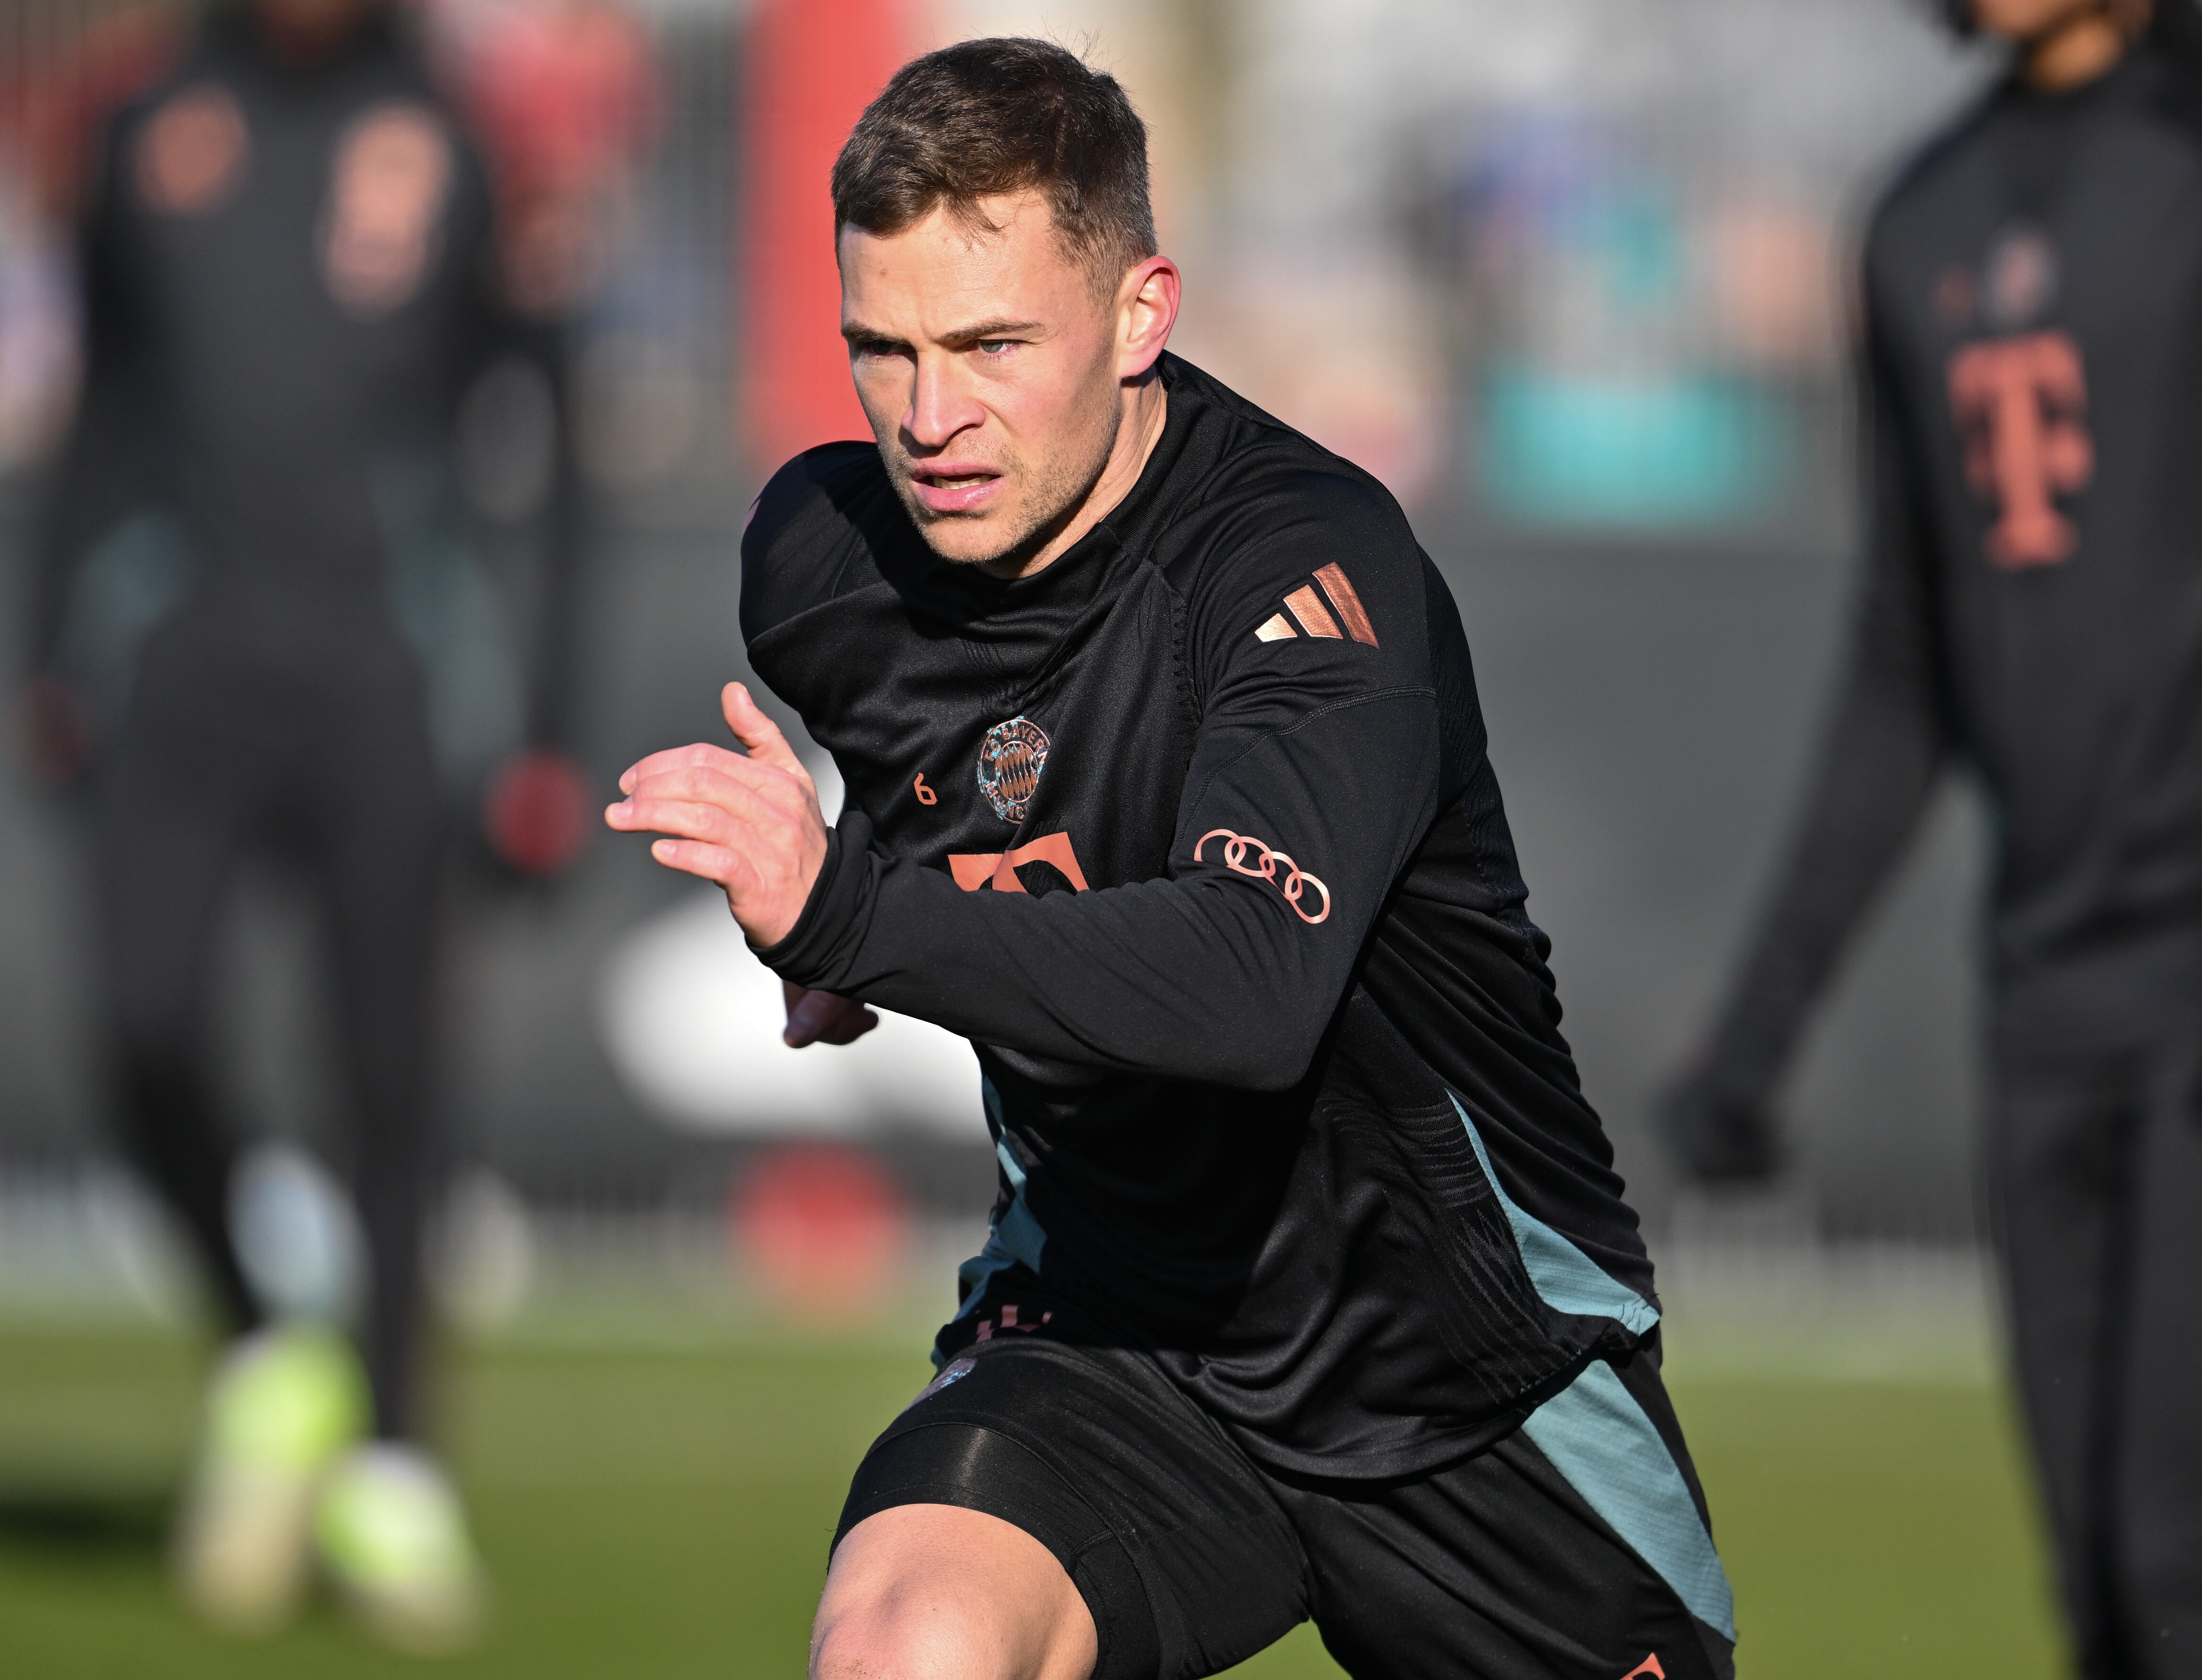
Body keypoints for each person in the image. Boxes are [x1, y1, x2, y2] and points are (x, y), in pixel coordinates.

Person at [609, 38, 1733, 1680]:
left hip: (1463, 1375)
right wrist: (858, 929)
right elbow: (954, 789)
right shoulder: (823, 562)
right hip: (1115, 1330)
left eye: (992, 345)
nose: (932, 418)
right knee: (908, 1647)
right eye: (883, 348)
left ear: (1142, 315)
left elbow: (1248, 985)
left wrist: (853, 914)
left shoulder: (1308, 567)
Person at [1657, 1, 2202, 1673]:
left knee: (2200, 1572)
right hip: (2047, 993)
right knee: (2104, 1594)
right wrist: (1759, 1026)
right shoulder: (1922, 215)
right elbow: (1909, 658)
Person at [25, 0, 587, 1649]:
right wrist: (39, 639)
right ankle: (271, 1340)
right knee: (139, 1025)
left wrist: (543, 714)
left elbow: (553, 430)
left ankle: (396, 1464)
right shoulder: (146, 118)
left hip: (388, 670)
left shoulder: (465, 127)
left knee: (394, 1083)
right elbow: (97, 398)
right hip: (179, 657)